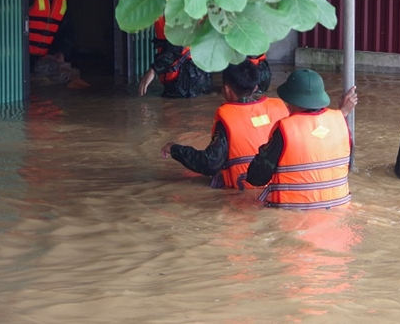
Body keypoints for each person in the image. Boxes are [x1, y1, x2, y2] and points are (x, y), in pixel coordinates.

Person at [160, 59, 289, 189]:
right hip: (280, 187)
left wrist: (175, 149)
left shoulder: (227, 117)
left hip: (242, 193)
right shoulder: (278, 107)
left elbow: (210, 163)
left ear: (226, 89)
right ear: (255, 87)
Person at [247, 69, 358, 210]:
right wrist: (342, 112)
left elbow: (256, 177)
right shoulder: (340, 121)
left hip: (293, 216)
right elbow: (346, 166)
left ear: (292, 102)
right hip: (338, 210)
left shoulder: (285, 130)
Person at [138, 16, 212, 99]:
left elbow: (177, 47)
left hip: (187, 78)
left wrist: (153, 70)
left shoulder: (174, 9)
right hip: (195, 75)